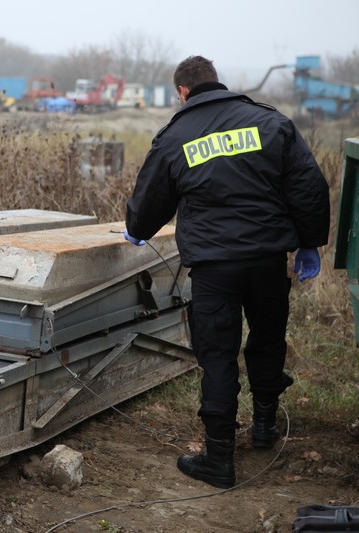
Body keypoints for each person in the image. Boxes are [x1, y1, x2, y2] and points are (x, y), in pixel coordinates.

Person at [124, 55, 330, 489]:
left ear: (182, 92)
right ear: (218, 83)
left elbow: (149, 200)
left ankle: (219, 460)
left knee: (218, 356)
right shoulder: (270, 123)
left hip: (215, 268)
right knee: (268, 339)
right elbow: (308, 186)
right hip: (268, 261)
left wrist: (136, 229)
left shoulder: (175, 135)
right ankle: (264, 426)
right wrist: (309, 242)